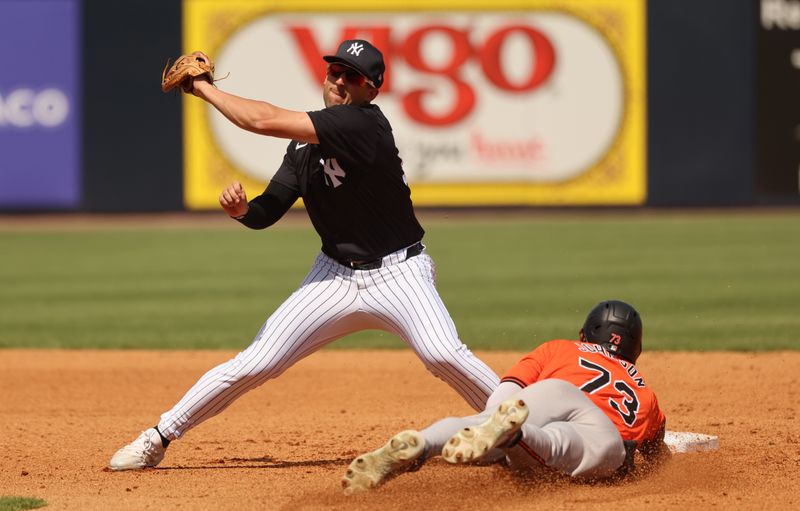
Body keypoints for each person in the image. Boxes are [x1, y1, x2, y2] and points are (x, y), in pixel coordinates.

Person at [109, 39, 499, 471]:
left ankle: (529, 428)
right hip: (333, 276)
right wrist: (242, 211)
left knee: (442, 355)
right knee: (255, 363)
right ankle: (157, 437)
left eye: (351, 76)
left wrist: (203, 89)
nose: (338, 81)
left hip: (400, 273)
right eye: (334, 71)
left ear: (371, 89)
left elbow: (260, 119)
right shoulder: (301, 149)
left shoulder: (364, 124)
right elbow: (267, 211)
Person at [341, 300, 669, 495]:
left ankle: (425, 442)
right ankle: (514, 436)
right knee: (560, 442)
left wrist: (490, 422)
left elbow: (506, 393)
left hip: (556, 392)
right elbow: (656, 460)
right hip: (600, 432)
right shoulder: (646, 393)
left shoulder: (560, 348)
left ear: (585, 334)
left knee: (483, 421)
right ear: (634, 349)